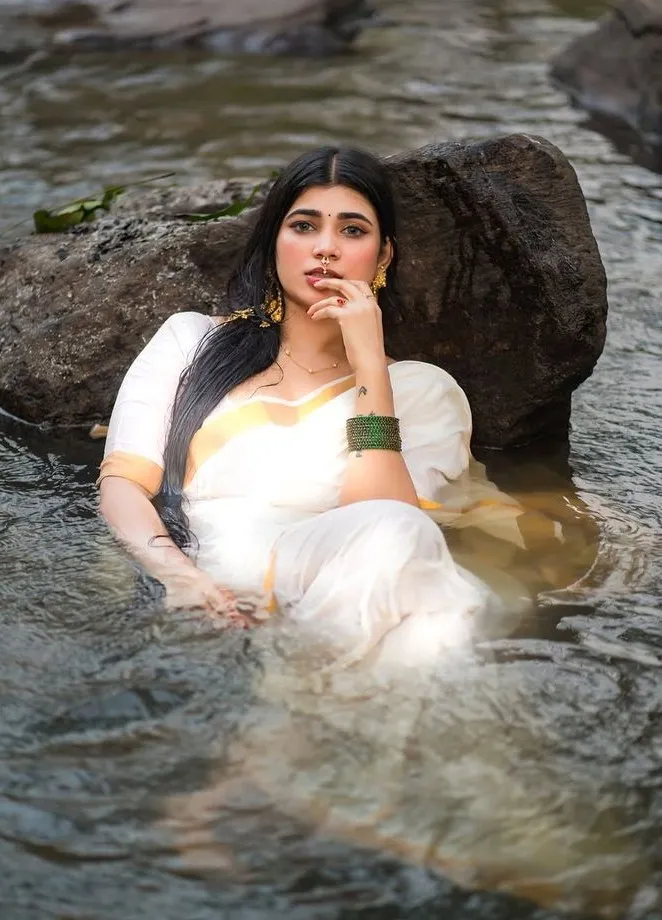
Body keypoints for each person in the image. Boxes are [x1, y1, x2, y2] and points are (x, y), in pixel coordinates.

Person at [97, 145, 538, 671]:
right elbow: (122, 485)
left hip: (343, 582)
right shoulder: (190, 341)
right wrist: (178, 576)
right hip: (211, 577)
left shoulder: (421, 389)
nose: (325, 248)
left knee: (412, 562)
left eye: (352, 230)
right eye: (304, 226)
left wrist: (370, 365)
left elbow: (386, 521)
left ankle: (294, 708)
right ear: (274, 241)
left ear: (384, 256)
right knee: (438, 621)